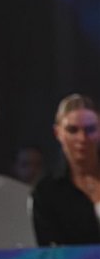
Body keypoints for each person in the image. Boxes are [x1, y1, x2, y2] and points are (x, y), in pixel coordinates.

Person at [32, 94, 100, 245]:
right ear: (58, 133)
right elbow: (50, 250)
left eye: (90, 129)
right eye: (72, 130)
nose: (82, 138)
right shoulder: (46, 192)